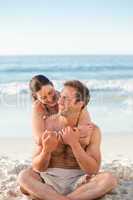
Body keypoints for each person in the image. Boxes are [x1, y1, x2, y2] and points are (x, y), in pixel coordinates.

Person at [18, 80, 117, 200]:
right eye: (61, 97)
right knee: (24, 176)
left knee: (109, 179)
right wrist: (46, 151)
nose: (58, 101)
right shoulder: (46, 125)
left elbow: (93, 170)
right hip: (47, 179)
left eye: (65, 99)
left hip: (80, 182)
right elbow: (38, 167)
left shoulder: (92, 130)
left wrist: (75, 144)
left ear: (80, 104)